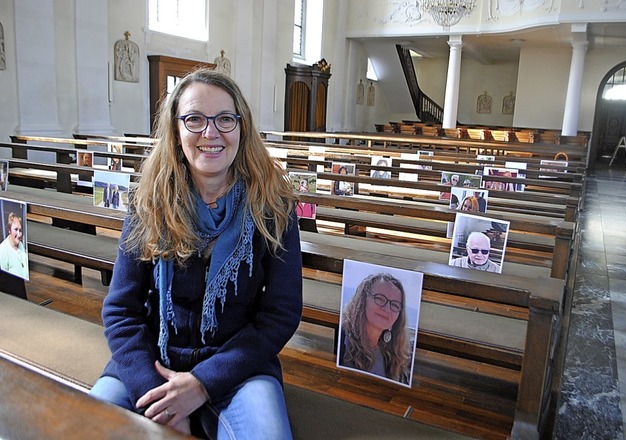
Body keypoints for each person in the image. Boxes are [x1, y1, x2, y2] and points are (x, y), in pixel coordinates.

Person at [89, 68, 303, 439]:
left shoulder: (275, 207)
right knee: (82, 427)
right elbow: (120, 310)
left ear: (242, 127)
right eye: (194, 119)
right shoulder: (150, 203)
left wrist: (202, 383)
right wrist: (158, 399)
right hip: (153, 362)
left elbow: (280, 315)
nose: (211, 133)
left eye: (224, 119)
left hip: (238, 367)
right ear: (175, 130)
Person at [339, 273, 411, 385]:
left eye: (395, 305)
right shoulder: (342, 339)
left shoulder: (394, 356)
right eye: (380, 299)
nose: (387, 308)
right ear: (363, 300)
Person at [0, 212, 29, 279]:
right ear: (9, 230)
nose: (19, 234)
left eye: (20, 230)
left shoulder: (21, 245)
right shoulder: (2, 251)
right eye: (16, 229)